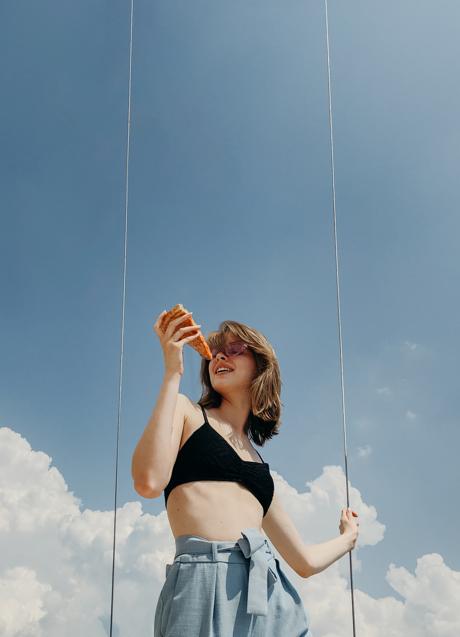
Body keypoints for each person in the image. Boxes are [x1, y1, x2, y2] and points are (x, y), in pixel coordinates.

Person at [132, 310, 359, 636]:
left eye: (236, 348)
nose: (220, 355)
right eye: (215, 352)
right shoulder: (188, 414)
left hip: (268, 595)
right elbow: (149, 481)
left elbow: (304, 562)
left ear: (261, 365)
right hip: (201, 583)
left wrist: (348, 538)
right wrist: (172, 372)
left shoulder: (260, 471)